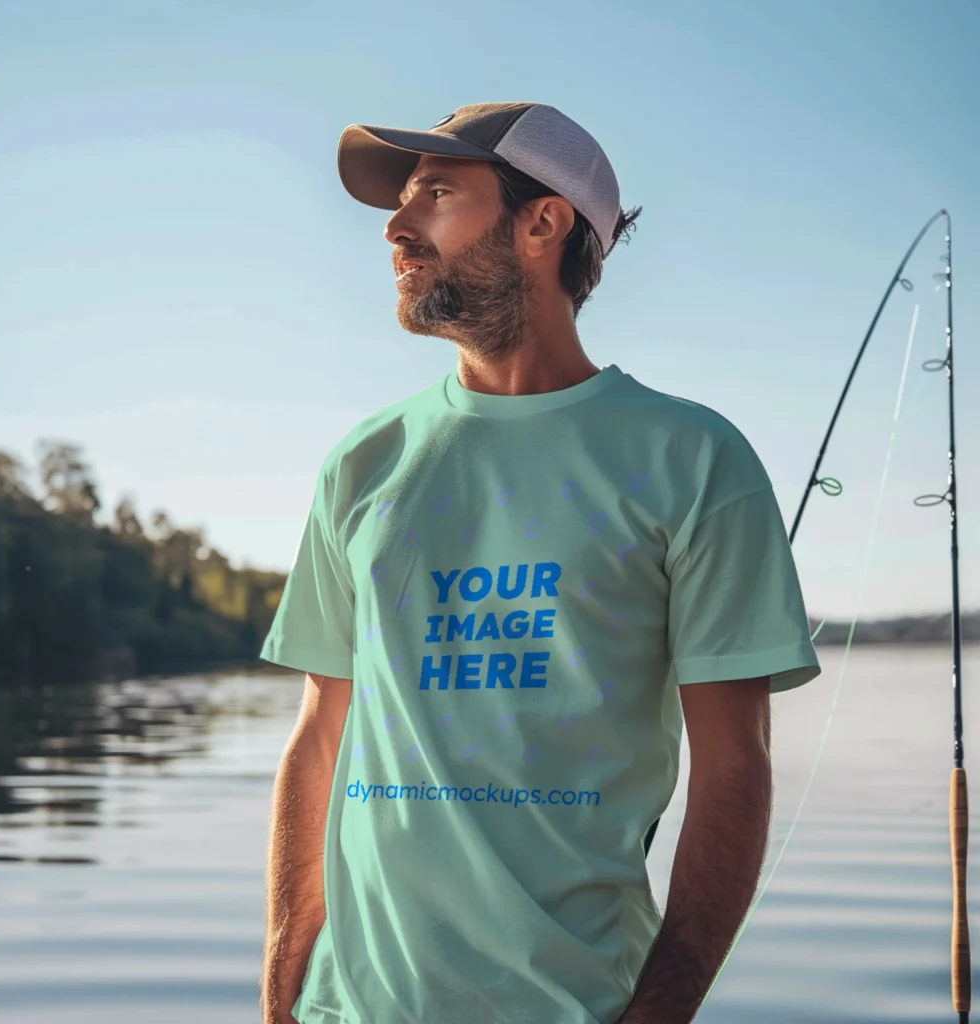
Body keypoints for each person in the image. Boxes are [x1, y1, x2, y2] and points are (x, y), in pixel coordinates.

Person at [260, 101, 821, 1024]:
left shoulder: (693, 460)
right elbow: (323, 735)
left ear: (542, 222)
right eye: (402, 202)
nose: (397, 227)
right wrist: (284, 990)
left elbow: (735, 767)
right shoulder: (361, 462)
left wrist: (660, 1012)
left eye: (436, 193)